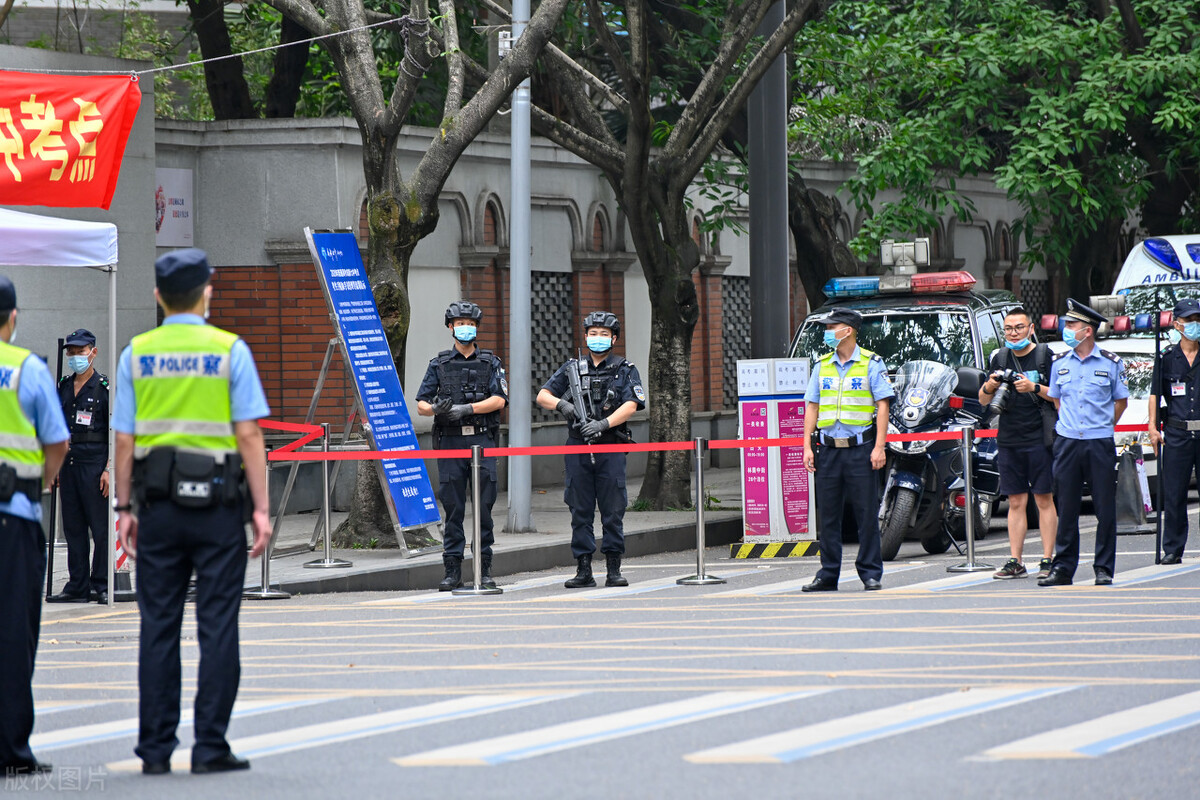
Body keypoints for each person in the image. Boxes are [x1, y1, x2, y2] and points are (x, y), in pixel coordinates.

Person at [112, 248, 271, 775]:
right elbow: (249, 434)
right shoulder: (230, 350)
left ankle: (155, 750)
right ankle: (210, 747)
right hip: (220, 509)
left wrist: (123, 506)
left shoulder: (136, 353)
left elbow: (125, 439)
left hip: (157, 508)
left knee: (158, 626)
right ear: (207, 292)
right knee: (218, 625)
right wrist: (263, 509)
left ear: (158, 296)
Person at [0, 276, 70, 776]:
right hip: (13, 518)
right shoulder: (26, 368)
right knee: (12, 633)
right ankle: (11, 749)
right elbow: (57, 443)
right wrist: (38, 486)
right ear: (14, 317)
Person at [537, 311, 644, 588]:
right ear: (585, 336)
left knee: (612, 509)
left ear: (614, 338)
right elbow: (543, 395)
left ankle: (613, 568)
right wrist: (565, 405)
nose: (598, 338)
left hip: (610, 445)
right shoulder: (573, 367)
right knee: (580, 509)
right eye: (593, 333)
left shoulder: (625, 369)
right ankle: (583, 569)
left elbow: (632, 404)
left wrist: (603, 424)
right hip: (578, 446)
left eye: (604, 334)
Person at [415, 301, 508, 591]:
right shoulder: (439, 364)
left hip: (481, 439)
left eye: (470, 323)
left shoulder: (491, 362)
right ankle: (452, 569)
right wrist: (436, 409)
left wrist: (466, 409)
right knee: (453, 508)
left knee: (484, 508)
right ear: (450, 327)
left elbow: (499, 400)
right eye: (460, 323)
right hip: (451, 441)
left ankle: (484, 567)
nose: (465, 328)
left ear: (476, 327)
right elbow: (421, 404)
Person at [801, 307, 893, 592]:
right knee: (828, 516)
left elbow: (883, 406)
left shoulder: (871, 364)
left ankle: (870, 573)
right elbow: (812, 407)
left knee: (866, 514)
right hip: (827, 449)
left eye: (832, 328)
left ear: (848, 330)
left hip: (860, 449)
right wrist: (806, 446)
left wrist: (879, 447)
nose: (828, 333)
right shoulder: (822, 365)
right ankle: (828, 573)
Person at [1040, 298, 1128, 587]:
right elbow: (1056, 399)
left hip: (1099, 442)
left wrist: (1100, 426)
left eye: (1072, 325)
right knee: (1066, 508)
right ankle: (1063, 568)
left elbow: (1120, 402)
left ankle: (1103, 568)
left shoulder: (1111, 363)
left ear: (1087, 331)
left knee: (1104, 508)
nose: (1067, 329)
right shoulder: (1059, 363)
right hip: (1067, 443)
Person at [978, 309, 1058, 580]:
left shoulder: (1045, 355)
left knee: (1044, 499)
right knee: (1015, 501)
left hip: (1039, 437)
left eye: (1019, 327)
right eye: (1009, 329)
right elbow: (983, 400)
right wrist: (990, 384)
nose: (1014, 333)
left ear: (1031, 327)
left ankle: (1047, 559)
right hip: (1009, 439)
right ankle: (1016, 560)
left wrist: (1034, 387)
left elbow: (1059, 396)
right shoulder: (999, 357)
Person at [47, 329, 112, 604]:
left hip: (95, 465)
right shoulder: (62, 385)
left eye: (80, 351)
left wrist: (109, 468)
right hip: (69, 464)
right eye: (71, 352)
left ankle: (101, 584)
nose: (75, 357)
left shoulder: (104, 387)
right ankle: (77, 586)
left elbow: (113, 429)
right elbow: (53, 427)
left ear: (93, 352)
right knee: (73, 529)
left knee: (100, 529)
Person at [1148, 298, 1200, 564]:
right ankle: (1173, 548)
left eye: (1198, 320)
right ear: (1177, 324)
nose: (1195, 325)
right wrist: (1152, 427)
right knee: (1175, 494)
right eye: (1190, 320)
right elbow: (1156, 394)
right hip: (1178, 433)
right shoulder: (1167, 358)